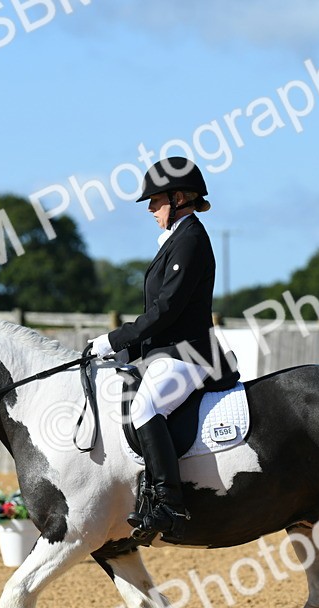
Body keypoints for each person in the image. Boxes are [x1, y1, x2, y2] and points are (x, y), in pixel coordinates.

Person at [88, 156, 235, 541]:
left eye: (156, 200)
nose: (151, 208)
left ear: (179, 198)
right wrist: (131, 350)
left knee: (145, 407)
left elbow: (166, 309)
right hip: (170, 352)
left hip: (190, 354)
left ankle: (169, 503)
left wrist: (115, 339)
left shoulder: (191, 240)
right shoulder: (176, 240)